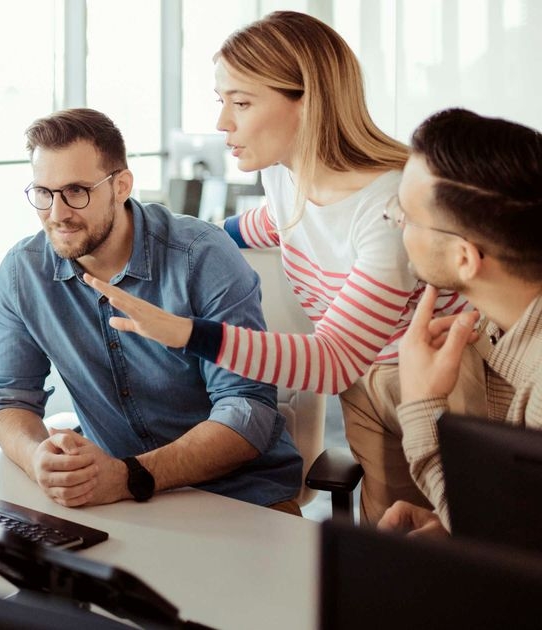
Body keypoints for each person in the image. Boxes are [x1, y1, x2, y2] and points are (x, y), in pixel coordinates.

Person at [85, 11, 480, 523]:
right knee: (389, 542)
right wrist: (163, 242)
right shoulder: (285, 178)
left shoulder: (388, 207)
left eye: (242, 103)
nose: (222, 123)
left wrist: (185, 332)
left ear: (307, 101)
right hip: (366, 386)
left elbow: (334, 358)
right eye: (221, 101)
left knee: (458, 547)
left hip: (440, 381)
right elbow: (270, 224)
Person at [0, 108, 303, 513]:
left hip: (237, 494)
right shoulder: (23, 272)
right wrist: (36, 459)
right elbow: (9, 397)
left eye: (76, 192)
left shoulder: (201, 256)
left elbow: (247, 409)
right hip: (111, 495)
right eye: (43, 193)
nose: (57, 213)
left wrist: (128, 476)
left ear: (121, 186)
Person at [376, 109, 542, 537]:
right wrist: (450, 527)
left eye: (407, 216)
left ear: (464, 258)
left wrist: (421, 404)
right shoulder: (500, 325)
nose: (395, 223)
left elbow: (509, 548)